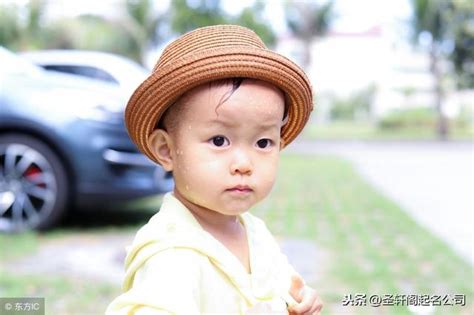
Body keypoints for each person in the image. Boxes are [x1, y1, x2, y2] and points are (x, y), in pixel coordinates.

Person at [106, 24, 323, 315]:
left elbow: (280, 291)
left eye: (263, 142)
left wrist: (297, 301)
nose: (244, 164)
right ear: (166, 150)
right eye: (219, 140)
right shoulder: (171, 254)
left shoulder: (256, 234)